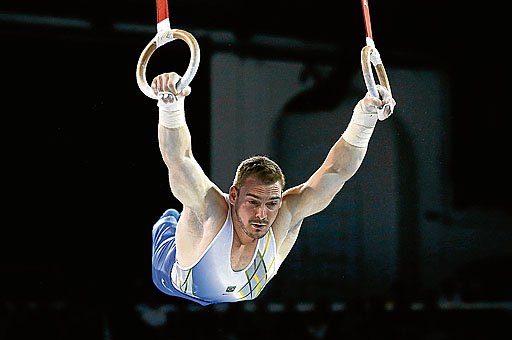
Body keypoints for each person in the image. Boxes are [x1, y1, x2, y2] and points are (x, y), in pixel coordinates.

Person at [151, 72, 395, 306]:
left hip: (219, 286)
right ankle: (169, 220)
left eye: (271, 203)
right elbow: (179, 160)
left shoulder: (284, 216)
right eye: (253, 201)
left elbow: (337, 171)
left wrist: (365, 117)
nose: (262, 215)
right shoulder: (212, 210)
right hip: (172, 277)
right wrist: (170, 103)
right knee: (171, 219)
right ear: (233, 195)